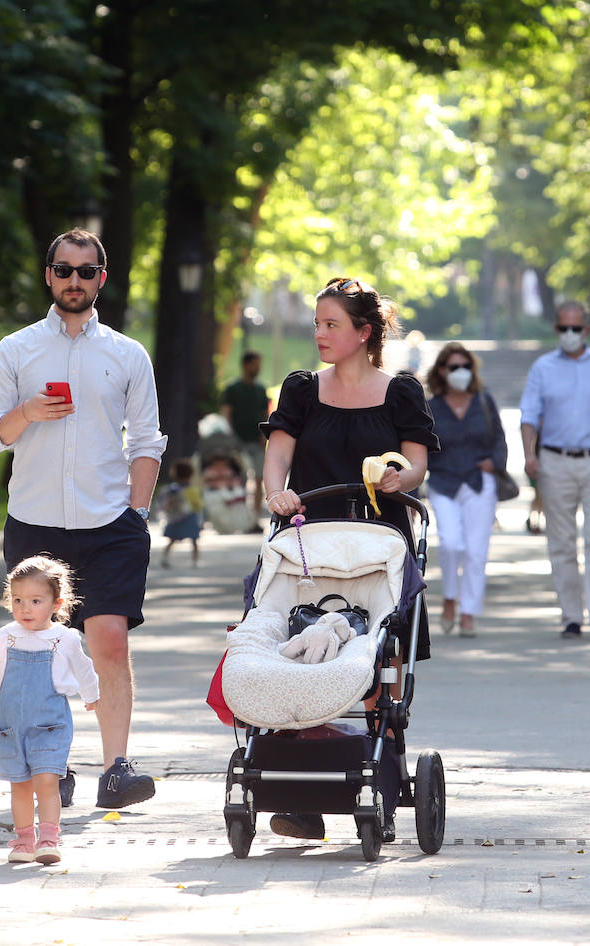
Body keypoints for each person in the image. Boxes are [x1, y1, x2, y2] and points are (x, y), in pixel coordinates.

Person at [0, 228, 166, 810]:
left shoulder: (128, 354)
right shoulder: (17, 350)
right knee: (40, 651)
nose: (73, 281)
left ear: (102, 278)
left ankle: (116, 769)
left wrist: (137, 511)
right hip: (34, 523)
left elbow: (148, 442)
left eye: (86, 271)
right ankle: (53, 768)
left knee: (107, 639)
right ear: (48, 276)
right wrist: (26, 412)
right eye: (63, 270)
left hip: (110, 523)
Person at [260, 275, 438, 840]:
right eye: (317, 324)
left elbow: (416, 466)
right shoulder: (302, 390)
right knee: (302, 652)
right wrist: (275, 493)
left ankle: (378, 786)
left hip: (378, 545)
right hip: (310, 544)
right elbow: (278, 454)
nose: (320, 334)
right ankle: (303, 793)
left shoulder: (401, 391)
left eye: (332, 325)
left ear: (364, 333)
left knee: (379, 659)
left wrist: (397, 478)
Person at [0, 556, 100, 864]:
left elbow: (84, 670)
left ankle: (49, 839)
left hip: (50, 725)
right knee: (20, 784)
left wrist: (92, 695)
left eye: (35, 601)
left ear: (56, 603)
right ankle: (24, 840)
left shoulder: (63, 638)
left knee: (47, 781)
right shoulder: (6, 636)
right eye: (18, 600)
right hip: (12, 726)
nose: (25, 608)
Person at [519, 301, 590, 641]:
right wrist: (529, 455)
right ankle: (570, 617)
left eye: (575, 328)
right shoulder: (543, 368)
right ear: (556, 330)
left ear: (586, 330)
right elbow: (529, 416)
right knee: (561, 542)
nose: (569, 334)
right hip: (555, 461)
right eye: (563, 328)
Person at [424, 343, 507, 639]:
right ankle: (449, 598)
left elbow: (499, 438)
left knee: (475, 551)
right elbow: (420, 447)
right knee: (450, 543)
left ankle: (468, 612)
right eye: (454, 367)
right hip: (444, 483)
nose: (461, 372)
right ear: (442, 371)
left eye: (466, 366)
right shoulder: (431, 407)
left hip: (478, 483)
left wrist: (494, 462)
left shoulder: (483, 401)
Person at [220, 350, 271, 516]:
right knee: (239, 480)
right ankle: (240, 516)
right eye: (254, 364)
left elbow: (266, 413)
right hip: (238, 441)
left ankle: (254, 517)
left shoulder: (261, 389)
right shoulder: (233, 388)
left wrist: (265, 434)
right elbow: (226, 412)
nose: (257, 368)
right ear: (245, 365)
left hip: (257, 441)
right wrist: (229, 435)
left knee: (259, 478)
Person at [155, 458, 202, 567]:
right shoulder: (193, 490)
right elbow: (198, 505)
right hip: (190, 517)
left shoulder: (171, 489)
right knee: (194, 540)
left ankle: (165, 558)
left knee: (172, 539)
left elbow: (162, 504)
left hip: (175, 518)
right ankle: (194, 561)